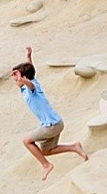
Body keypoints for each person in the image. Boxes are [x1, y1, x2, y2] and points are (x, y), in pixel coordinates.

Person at [12, 46, 88, 181]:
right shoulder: (27, 84)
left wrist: (22, 79)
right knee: (46, 150)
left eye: (16, 77)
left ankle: (46, 165)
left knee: (27, 141)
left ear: (23, 78)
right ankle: (74, 147)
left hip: (51, 125)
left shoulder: (32, 88)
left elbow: (30, 84)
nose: (15, 79)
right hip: (56, 123)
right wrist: (28, 55)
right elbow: (30, 69)